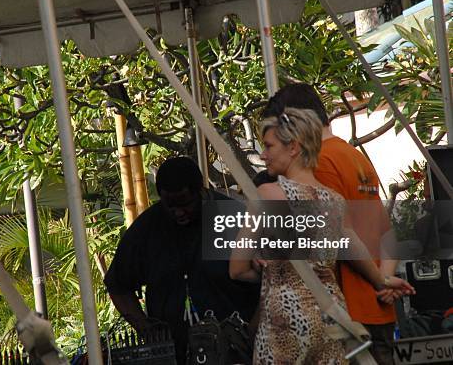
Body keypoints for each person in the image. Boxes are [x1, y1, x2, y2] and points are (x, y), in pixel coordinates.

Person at [229, 107, 414, 364]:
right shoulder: (334, 200)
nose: (263, 154)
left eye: (269, 146)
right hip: (331, 319)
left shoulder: (267, 195)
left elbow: (236, 269)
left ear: (293, 148)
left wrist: (270, 269)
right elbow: (352, 247)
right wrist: (382, 280)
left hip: (284, 320)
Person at [104, 157, 260, 364]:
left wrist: (251, 331)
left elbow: (273, 280)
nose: (178, 212)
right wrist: (146, 329)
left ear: (200, 191)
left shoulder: (232, 219)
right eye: (170, 205)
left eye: (185, 203)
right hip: (173, 355)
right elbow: (118, 286)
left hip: (233, 352)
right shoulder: (148, 228)